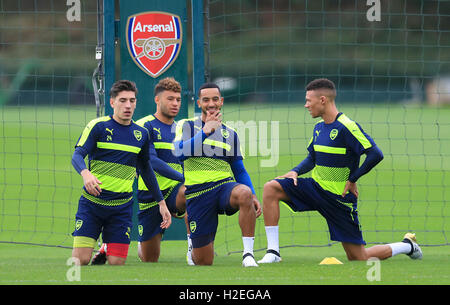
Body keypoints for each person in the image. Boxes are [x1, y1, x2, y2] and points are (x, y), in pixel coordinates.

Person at [258, 78, 422, 263]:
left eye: (308, 101)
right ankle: (273, 253)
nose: (305, 105)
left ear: (322, 100)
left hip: (339, 198)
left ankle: (407, 245)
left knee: (358, 258)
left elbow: (376, 154)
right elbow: (312, 158)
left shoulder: (347, 127)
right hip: (315, 188)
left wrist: (353, 179)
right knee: (271, 188)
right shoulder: (319, 128)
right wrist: (295, 171)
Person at [71, 80, 171, 266]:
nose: (128, 105)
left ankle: (106, 248)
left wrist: (161, 203)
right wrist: (86, 173)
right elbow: (77, 155)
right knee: (79, 261)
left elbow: (147, 171)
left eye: (132, 101)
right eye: (123, 100)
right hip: (92, 205)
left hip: (121, 208)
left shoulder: (141, 134)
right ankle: (100, 246)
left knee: (117, 263)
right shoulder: (98, 126)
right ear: (112, 102)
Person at [174, 82, 262, 267]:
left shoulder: (231, 133)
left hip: (224, 187)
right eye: (206, 100)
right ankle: (193, 245)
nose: (211, 103)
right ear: (199, 103)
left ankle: (248, 255)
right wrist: (206, 132)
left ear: (221, 101)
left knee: (244, 193)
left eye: (215, 99)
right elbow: (179, 153)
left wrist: (252, 193)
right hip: (198, 193)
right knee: (204, 262)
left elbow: (239, 169)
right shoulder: (186, 125)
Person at [135, 77, 187, 262]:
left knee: (194, 193)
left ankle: (194, 250)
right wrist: (182, 176)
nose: (175, 103)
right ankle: (141, 245)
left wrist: (186, 179)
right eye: (170, 99)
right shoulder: (145, 125)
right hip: (151, 195)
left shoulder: (182, 129)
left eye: (178, 100)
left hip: (176, 190)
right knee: (149, 259)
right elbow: (151, 162)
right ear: (157, 100)